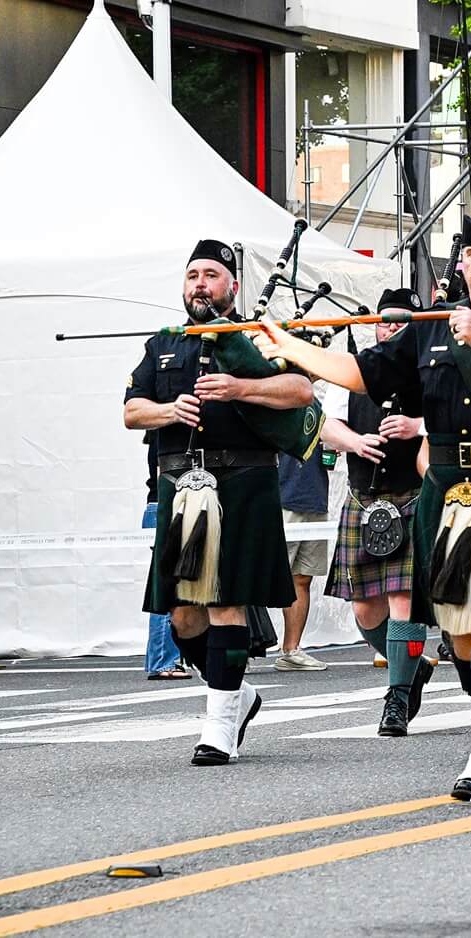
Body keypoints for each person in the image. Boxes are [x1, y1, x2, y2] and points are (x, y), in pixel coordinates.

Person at [253, 211, 471, 802]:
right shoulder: (430, 327)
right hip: (448, 488)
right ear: (462, 264)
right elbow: (361, 373)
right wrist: (289, 345)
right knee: (458, 631)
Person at [124, 241, 316, 766]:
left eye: (211, 275)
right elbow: (132, 411)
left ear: (232, 284)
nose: (200, 284)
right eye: (193, 275)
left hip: (242, 483)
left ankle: (218, 726)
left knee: (225, 602)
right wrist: (169, 410)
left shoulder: (256, 337)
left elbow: (300, 391)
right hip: (181, 486)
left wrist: (239, 388)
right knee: (183, 616)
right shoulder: (164, 343)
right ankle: (237, 694)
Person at [319, 287, 434, 735]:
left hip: (412, 495)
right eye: (386, 321)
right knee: (365, 611)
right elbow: (326, 426)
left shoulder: (431, 370)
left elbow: (454, 420)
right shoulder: (356, 370)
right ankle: (412, 668)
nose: (392, 328)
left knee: (405, 601)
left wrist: (416, 426)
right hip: (363, 499)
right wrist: (355, 442)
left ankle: (397, 699)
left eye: (402, 322)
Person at [276, 443, 332, 671]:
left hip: (314, 494)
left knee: (302, 577)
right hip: (280, 494)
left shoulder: (324, 420)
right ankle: (244, 647)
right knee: (263, 575)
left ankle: (291, 650)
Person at [141, 435, 189, 679]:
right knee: (167, 586)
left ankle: (166, 658)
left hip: (162, 504)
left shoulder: (159, 433)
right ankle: (163, 660)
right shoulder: (165, 435)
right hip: (166, 504)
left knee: (170, 585)